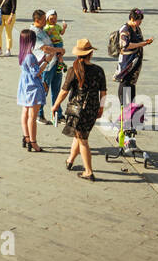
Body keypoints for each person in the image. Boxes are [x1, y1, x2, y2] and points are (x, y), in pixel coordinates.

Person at [52, 38, 104, 179]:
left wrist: (55, 105)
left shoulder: (73, 69)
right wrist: (101, 108)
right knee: (79, 134)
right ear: (90, 53)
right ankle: (70, 160)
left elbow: (64, 91)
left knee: (83, 140)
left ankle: (89, 171)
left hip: (77, 110)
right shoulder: (99, 70)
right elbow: (103, 92)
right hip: (92, 108)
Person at [114, 8, 153, 105]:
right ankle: (122, 105)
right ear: (131, 18)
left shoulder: (137, 28)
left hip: (135, 60)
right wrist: (141, 44)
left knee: (132, 82)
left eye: (140, 20)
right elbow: (125, 45)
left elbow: (139, 40)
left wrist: (145, 42)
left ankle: (131, 104)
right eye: (138, 20)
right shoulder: (125, 29)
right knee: (124, 81)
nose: (140, 22)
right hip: (127, 61)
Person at [16, 29, 47, 153]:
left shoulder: (23, 53)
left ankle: (26, 137)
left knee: (25, 113)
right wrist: (46, 62)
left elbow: (31, 67)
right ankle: (33, 142)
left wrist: (39, 61)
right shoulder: (30, 56)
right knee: (32, 117)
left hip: (24, 85)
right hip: (33, 87)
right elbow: (36, 72)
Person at [40, 10, 67, 123]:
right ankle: (39, 113)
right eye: (51, 18)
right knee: (44, 89)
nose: (53, 20)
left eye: (55, 18)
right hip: (48, 66)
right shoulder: (43, 31)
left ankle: (58, 114)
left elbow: (61, 33)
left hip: (58, 63)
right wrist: (58, 50)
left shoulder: (56, 27)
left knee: (57, 88)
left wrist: (60, 55)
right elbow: (44, 48)